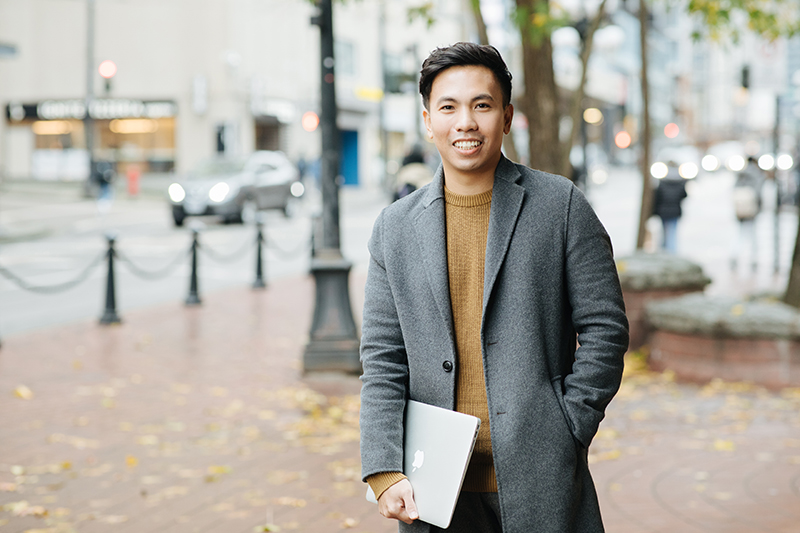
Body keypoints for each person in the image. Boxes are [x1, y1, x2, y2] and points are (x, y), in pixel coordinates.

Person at [359, 42, 629, 533]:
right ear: (428, 120)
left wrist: (570, 423)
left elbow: (605, 328)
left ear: (505, 116)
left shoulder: (559, 205)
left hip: (541, 470)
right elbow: (382, 356)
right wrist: (383, 467)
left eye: (481, 105)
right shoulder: (393, 228)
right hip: (432, 485)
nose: (465, 122)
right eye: (449, 107)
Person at [730, 155, 764, 271]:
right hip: (751, 209)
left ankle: (735, 257)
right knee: (752, 235)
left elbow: (734, 191)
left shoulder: (741, 174)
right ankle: (754, 259)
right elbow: (759, 193)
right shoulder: (757, 175)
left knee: (739, 234)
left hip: (740, 210)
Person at [652, 160, 687, 254]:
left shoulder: (662, 181)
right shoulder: (681, 181)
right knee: (672, 232)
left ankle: (665, 251)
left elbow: (657, 197)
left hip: (663, 212)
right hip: (675, 211)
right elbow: (684, 195)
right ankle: (671, 252)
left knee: (664, 231)